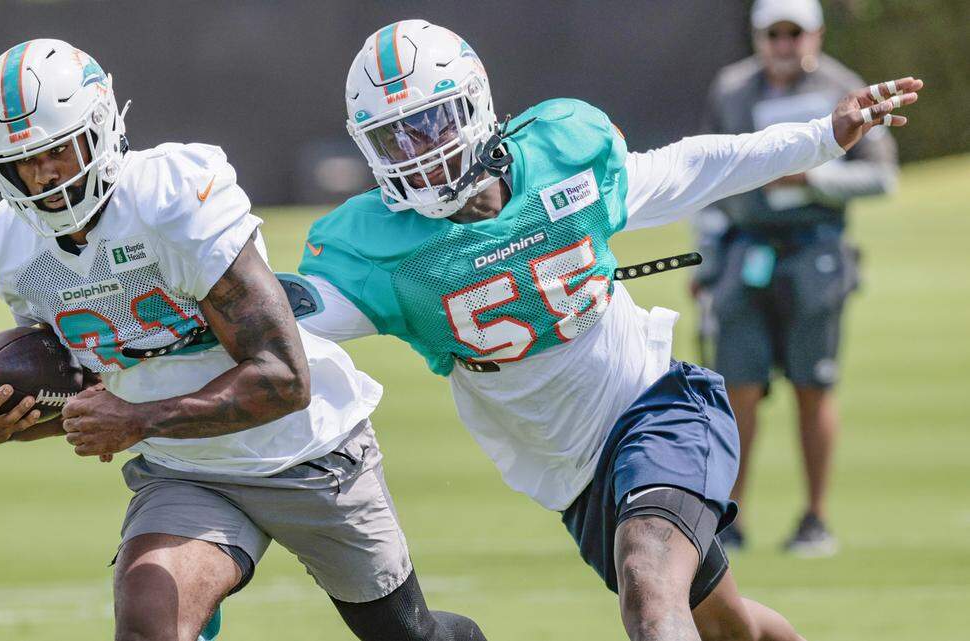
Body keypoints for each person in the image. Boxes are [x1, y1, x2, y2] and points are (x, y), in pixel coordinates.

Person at [295, 20, 922, 641]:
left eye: (427, 124)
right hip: (577, 474)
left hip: (657, 407)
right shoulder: (376, 246)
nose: (417, 154)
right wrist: (207, 304)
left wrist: (819, 136)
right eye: (392, 137)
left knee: (650, 590)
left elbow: (695, 166)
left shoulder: (561, 154)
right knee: (727, 627)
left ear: (475, 106)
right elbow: (285, 317)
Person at [0, 39, 487, 641]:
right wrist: (12, 421)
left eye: (57, 150)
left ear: (101, 128)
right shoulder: (12, 245)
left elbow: (285, 379)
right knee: (148, 627)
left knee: (411, 635)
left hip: (306, 453)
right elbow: (95, 387)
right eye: (22, 162)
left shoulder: (170, 199)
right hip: (186, 469)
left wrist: (137, 420)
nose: (43, 175)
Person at [693, 0, 899, 556]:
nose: (784, 44)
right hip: (746, 249)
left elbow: (883, 175)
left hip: (816, 249)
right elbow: (707, 178)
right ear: (759, 36)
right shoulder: (732, 89)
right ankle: (730, 518)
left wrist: (817, 179)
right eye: (773, 34)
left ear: (816, 34)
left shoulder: (844, 86)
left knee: (814, 385)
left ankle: (815, 518)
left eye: (794, 33)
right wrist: (706, 257)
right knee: (737, 388)